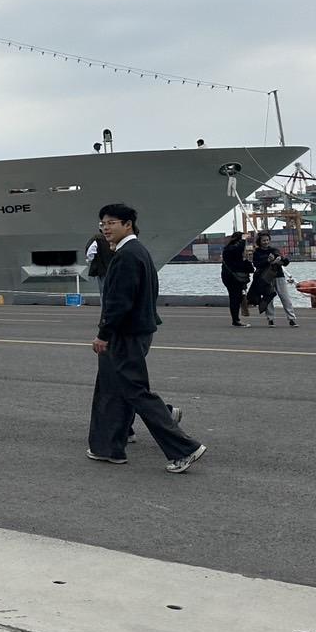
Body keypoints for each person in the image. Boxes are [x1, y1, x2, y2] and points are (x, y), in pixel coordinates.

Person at [87, 203, 207, 473]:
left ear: (127, 224)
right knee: (111, 388)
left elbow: (119, 302)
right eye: (103, 224)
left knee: (134, 390)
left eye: (111, 223)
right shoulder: (137, 251)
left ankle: (184, 448)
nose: (105, 228)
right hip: (136, 330)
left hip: (125, 334)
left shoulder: (127, 255)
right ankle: (108, 448)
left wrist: (103, 334)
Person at [248, 233, 287, 327]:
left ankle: (291, 318)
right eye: (264, 240)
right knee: (268, 298)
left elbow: (285, 262)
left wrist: (280, 259)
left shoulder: (274, 250)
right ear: (259, 242)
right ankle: (270, 319)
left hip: (278, 275)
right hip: (265, 278)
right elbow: (257, 264)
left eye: (267, 240)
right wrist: (268, 261)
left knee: (285, 297)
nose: (266, 242)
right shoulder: (257, 252)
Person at [221, 232, 252, 328]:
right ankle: (236, 320)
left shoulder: (229, 249)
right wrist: (243, 239)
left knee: (236, 297)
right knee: (235, 297)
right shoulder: (230, 249)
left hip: (233, 277)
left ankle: (236, 319)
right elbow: (238, 250)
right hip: (232, 277)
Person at [85, 231, 113, 295]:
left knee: (103, 290)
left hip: (102, 268)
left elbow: (90, 252)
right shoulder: (116, 238)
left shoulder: (98, 239)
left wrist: (90, 260)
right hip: (114, 267)